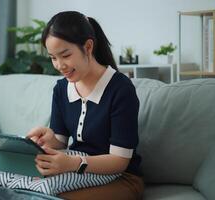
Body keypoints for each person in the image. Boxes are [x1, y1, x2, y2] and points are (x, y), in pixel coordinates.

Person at [27, 11, 143, 200]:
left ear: (88, 47)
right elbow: (60, 141)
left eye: (65, 55)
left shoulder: (120, 89)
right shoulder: (61, 89)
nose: (59, 65)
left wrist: (72, 163)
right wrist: (49, 138)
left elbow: (120, 161)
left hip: (122, 179)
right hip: (78, 173)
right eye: (53, 58)